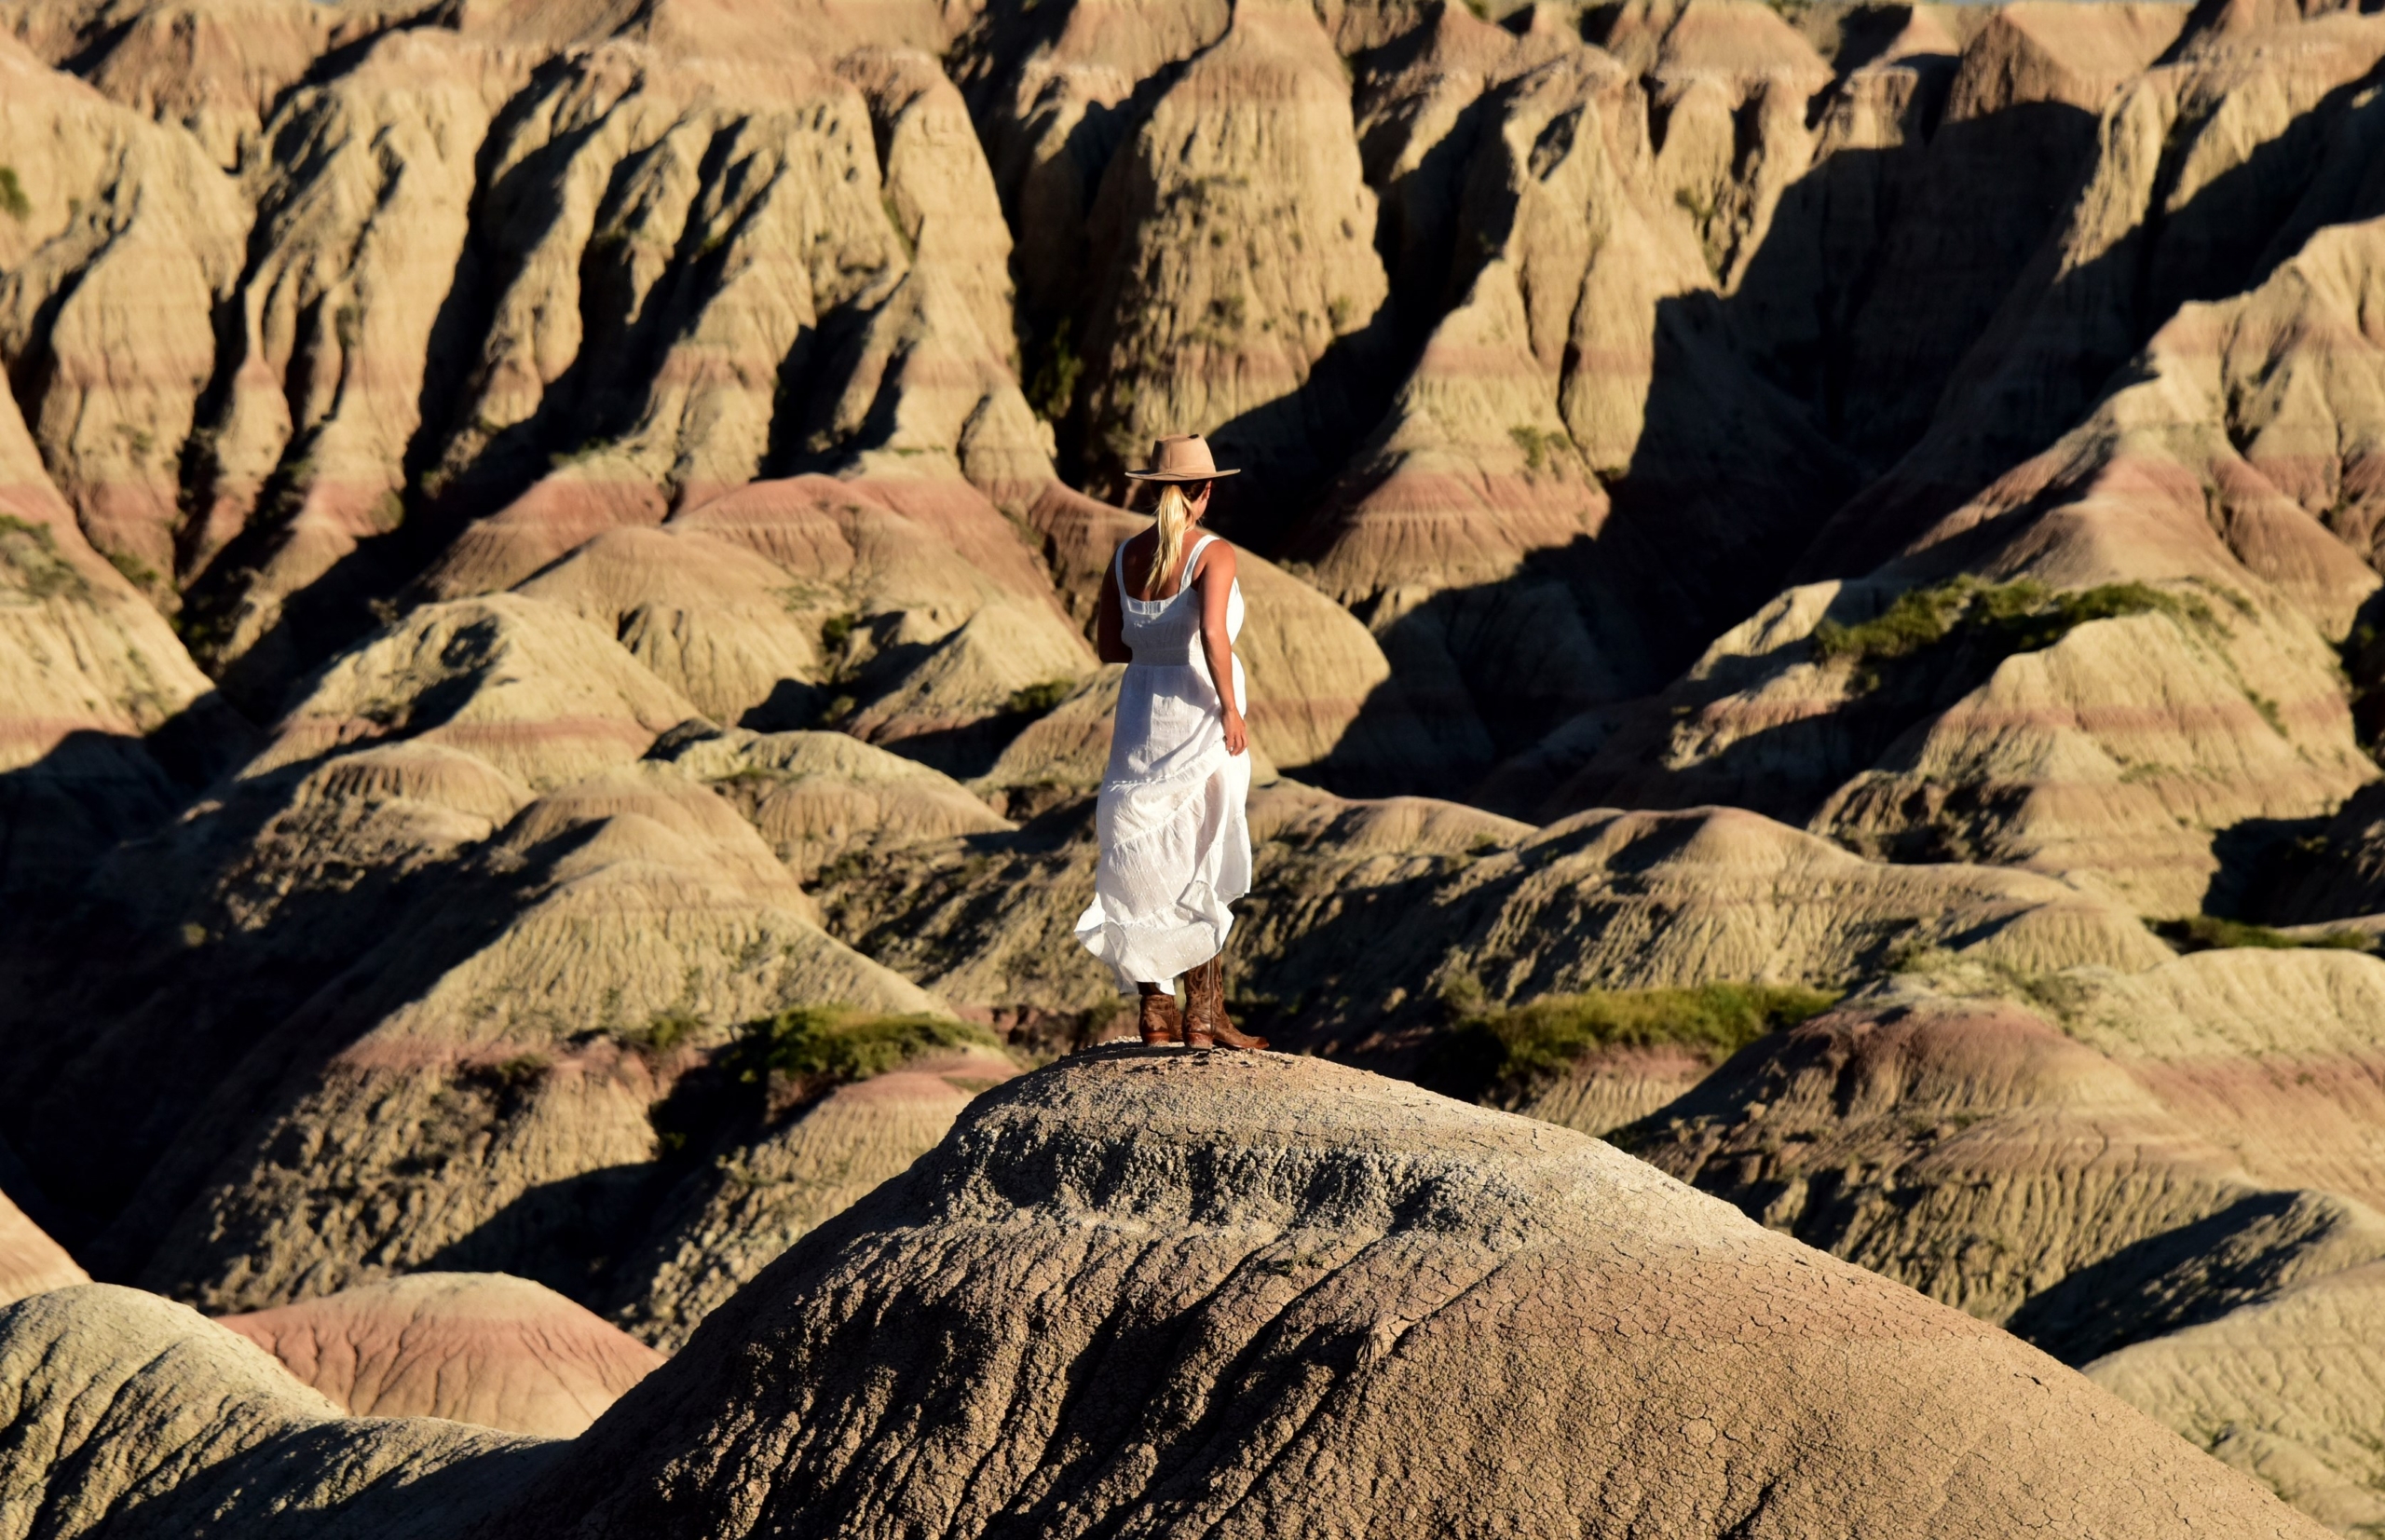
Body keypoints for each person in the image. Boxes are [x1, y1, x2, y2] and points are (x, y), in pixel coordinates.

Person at [1073, 433, 1269, 1051]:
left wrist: (1154, 647)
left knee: (1143, 862)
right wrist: (1232, 710)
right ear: (1204, 492)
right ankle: (1204, 1019)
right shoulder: (1214, 553)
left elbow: (1108, 647)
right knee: (1200, 859)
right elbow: (1214, 634)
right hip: (1198, 718)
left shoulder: (1125, 556)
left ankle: (1158, 1015)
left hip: (1138, 723)